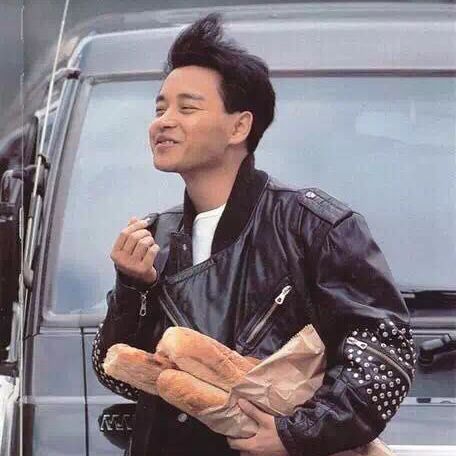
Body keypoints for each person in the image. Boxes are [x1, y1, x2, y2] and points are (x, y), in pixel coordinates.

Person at [92, 13, 416, 456]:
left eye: (187, 108)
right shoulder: (154, 237)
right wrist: (133, 288)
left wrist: (296, 433)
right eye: (159, 108)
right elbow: (117, 373)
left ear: (239, 126)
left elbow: (384, 352)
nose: (163, 121)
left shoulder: (312, 227)